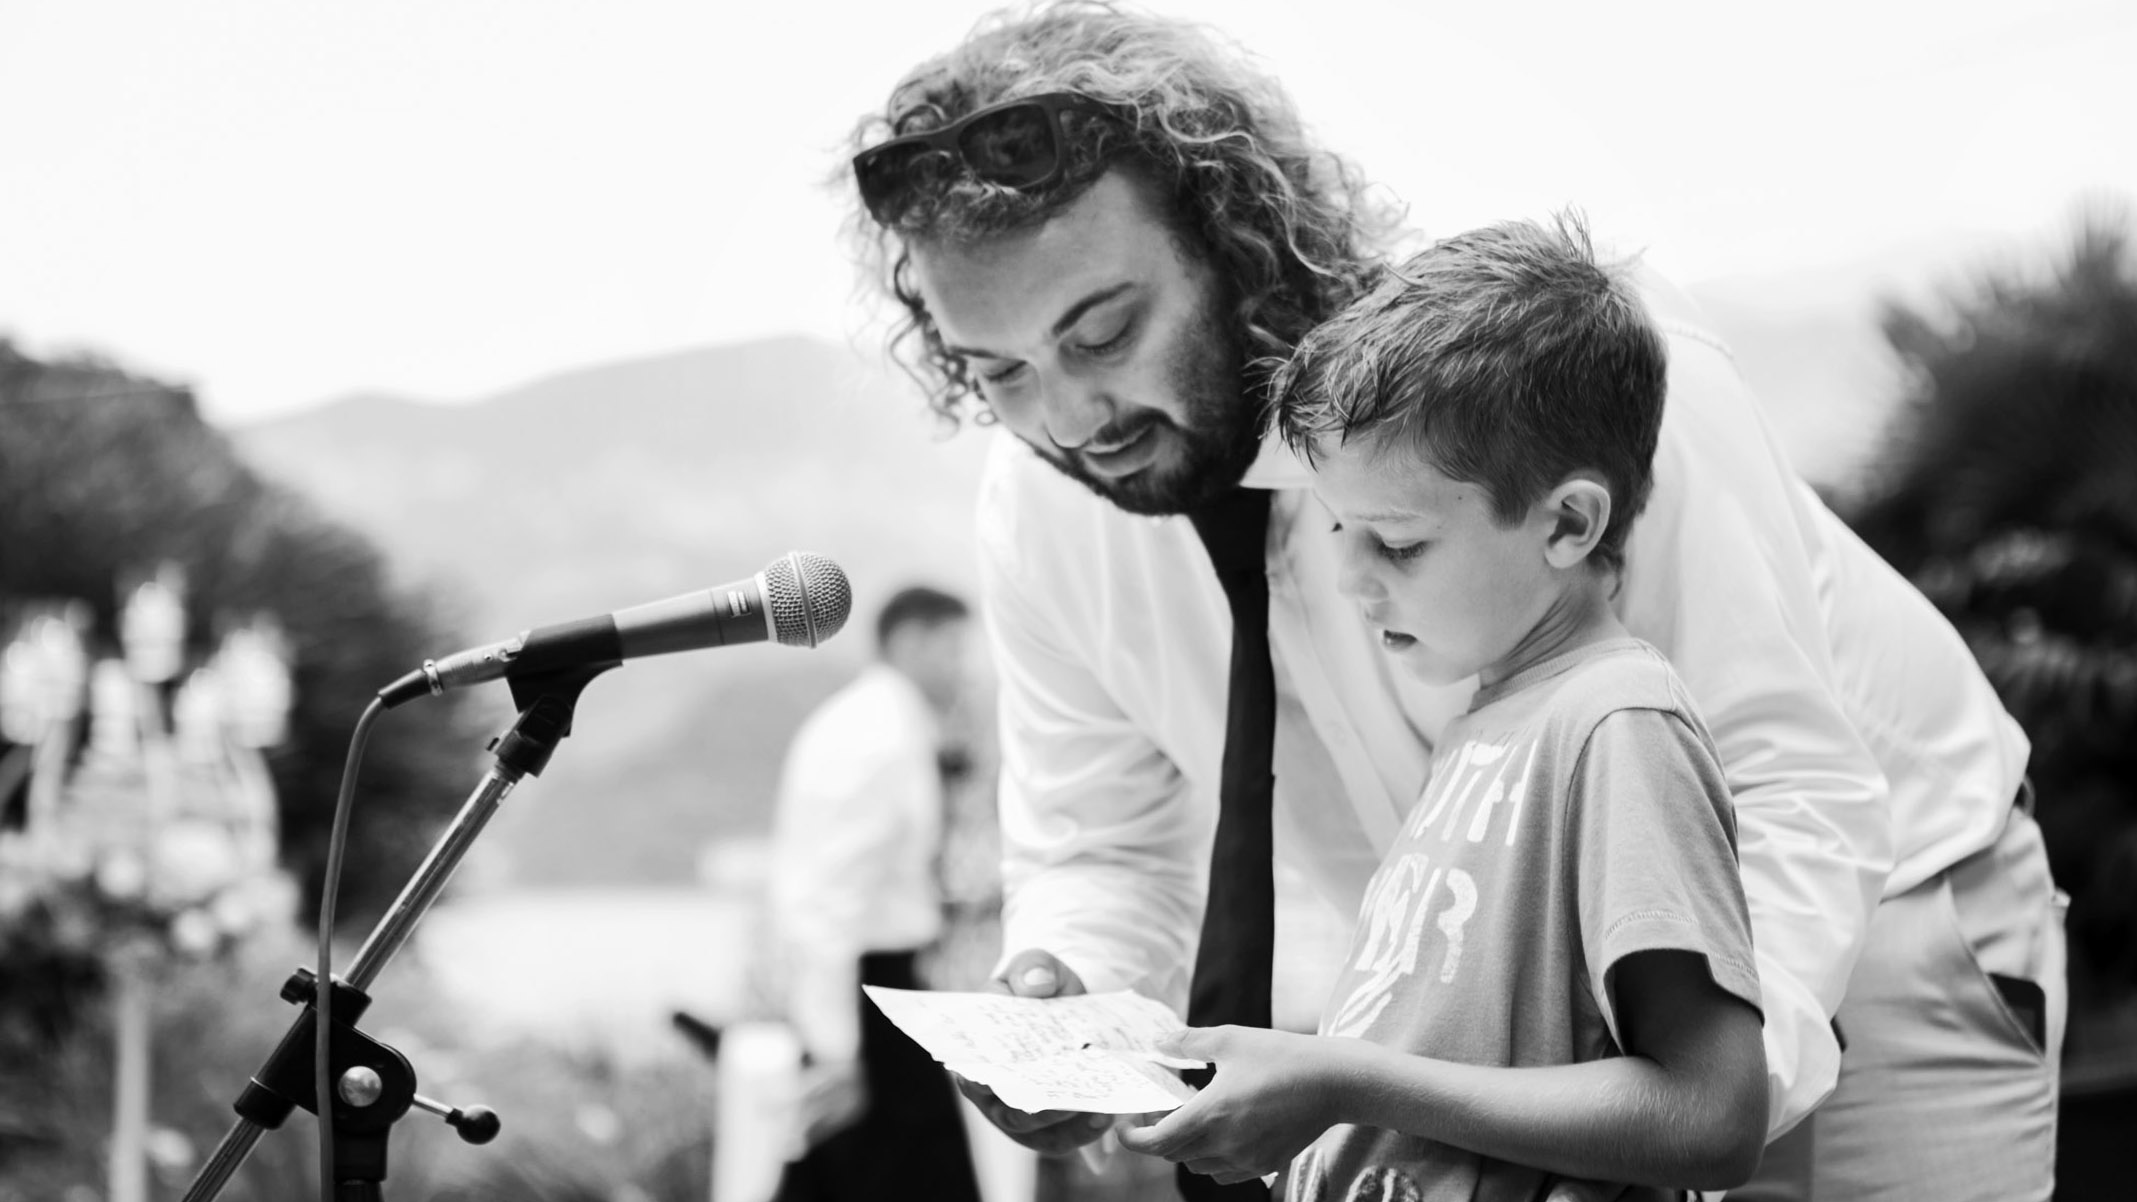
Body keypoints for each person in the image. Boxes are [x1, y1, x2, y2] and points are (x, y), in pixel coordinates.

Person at [843, 4, 2064, 1198]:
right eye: (995, 370)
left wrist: (1666, 1121)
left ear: (1234, 240)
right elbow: (1100, 841)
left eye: (1103, 331)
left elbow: (1788, 790)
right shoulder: (1041, 509)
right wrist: (1062, 983)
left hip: (1877, 927)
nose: (1065, 419)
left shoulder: (1548, 375)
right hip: (1551, 1053)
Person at [1113, 213, 1769, 1198]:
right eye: (1338, 526)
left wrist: (1341, 1079)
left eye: (1397, 541)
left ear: (1567, 522)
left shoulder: (1613, 722)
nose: (1351, 579)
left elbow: (1709, 1113)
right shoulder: (1487, 718)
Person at [766, 584, 984, 1202]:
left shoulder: (894, 727)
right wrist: (836, 1050)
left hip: (884, 990)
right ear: (909, 642)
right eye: (954, 648)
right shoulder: (872, 737)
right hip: (866, 1000)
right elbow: (824, 904)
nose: (964, 669)